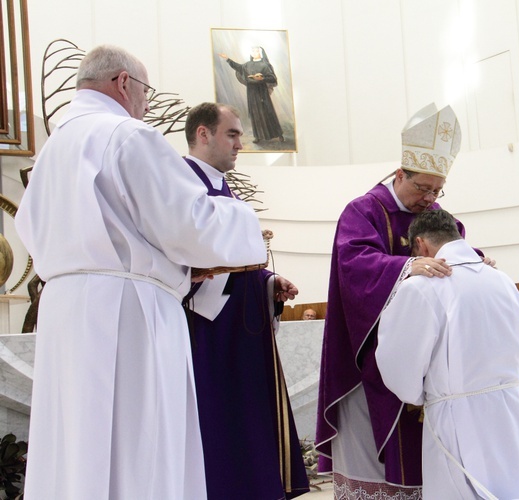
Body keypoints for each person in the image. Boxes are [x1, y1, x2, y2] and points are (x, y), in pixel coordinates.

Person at [14, 46, 269, 499]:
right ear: (124, 83)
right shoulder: (127, 134)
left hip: (66, 308)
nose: (148, 104)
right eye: (145, 91)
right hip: (129, 311)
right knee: (140, 441)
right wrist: (245, 222)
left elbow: (30, 228)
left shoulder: (53, 148)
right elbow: (187, 223)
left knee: (76, 443)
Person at [315, 104, 493, 498]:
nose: (429, 198)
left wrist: (474, 258)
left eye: (436, 189)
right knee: (373, 456)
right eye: (421, 188)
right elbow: (354, 263)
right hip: (368, 359)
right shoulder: (363, 211)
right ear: (400, 174)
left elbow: (452, 249)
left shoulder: (436, 216)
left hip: (428, 367)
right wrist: (408, 265)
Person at [377, 210, 519, 500]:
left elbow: (398, 361)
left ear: (421, 245)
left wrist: (420, 396)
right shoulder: (501, 280)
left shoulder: (421, 287)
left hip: (458, 416)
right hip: (512, 408)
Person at [182, 102, 309, 499]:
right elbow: (183, 256)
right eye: (232, 134)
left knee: (247, 420)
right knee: (218, 422)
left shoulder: (222, 186)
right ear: (203, 134)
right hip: (208, 332)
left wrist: (268, 283)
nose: (241, 143)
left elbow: (235, 259)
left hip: (240, 331)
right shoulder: (181, 181)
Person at [219, 47, 284, 144]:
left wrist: (262, 78)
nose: (254, 52)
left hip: (262, 92)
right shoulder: (247, 65)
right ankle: (258, 136)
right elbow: (238, 67)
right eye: (252, 51)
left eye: (256, 50)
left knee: (267, 113)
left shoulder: (265, 65)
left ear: (261, 52)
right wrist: (227, 59)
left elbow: (273, 78)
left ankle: (278, 134)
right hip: (251, 92)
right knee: (255, 114)